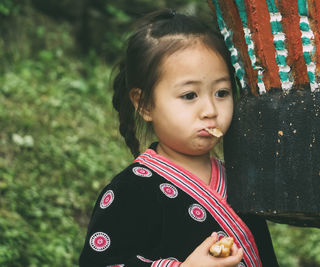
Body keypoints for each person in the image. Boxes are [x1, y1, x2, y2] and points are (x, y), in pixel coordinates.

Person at [79, 9, 279, 267]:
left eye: (221, 92)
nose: (210, 110)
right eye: (189, 96)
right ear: (145, 104)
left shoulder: (239, 179)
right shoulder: (130, 192)